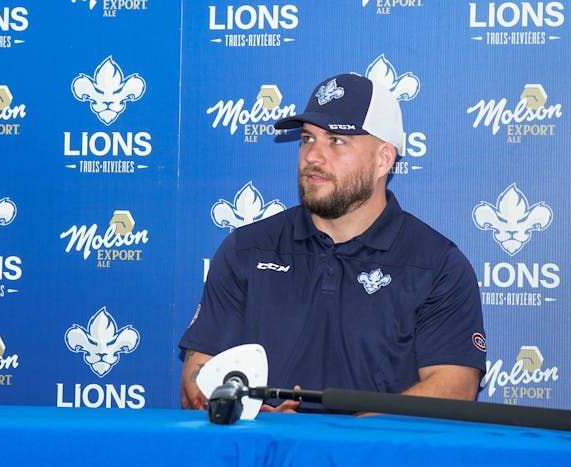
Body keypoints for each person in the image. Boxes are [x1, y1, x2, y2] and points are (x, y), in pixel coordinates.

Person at [179, 73, 486, 411]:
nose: (312, 156)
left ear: (383, 159)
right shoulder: (247, 250)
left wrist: (349, 431)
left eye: (336, 141)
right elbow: (199, 370)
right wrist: (253, 416)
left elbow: (456, 388)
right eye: (307, 138)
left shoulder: (437, 265)